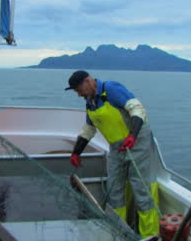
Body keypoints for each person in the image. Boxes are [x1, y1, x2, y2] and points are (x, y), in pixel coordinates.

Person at [65, 70, 159, 238]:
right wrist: (76, 153)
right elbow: (89, 128)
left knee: (141, 189)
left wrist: (133, 135)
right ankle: (117, 232)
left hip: (137, 142)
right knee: (114, 189)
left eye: (79, 90)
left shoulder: (112, 89)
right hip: (116, 148)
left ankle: (150, 234)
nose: (79, 95)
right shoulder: (89, 101)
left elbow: (138, 110)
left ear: (88, 81)